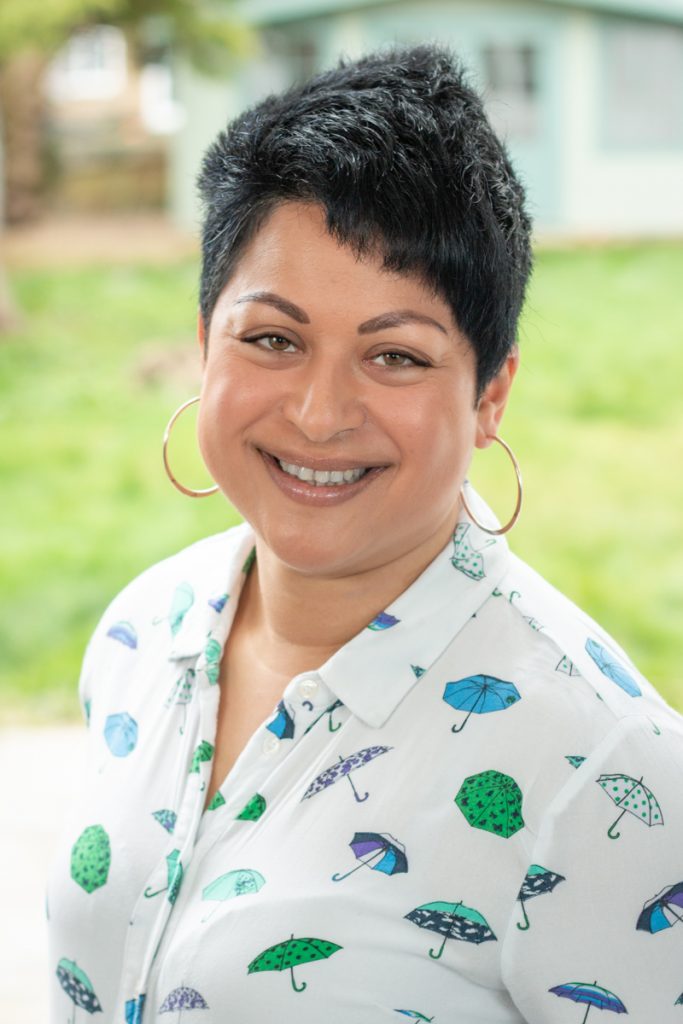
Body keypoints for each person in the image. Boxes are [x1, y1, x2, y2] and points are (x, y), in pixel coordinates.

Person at [47, 43, 683, 1024]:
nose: (315, 413)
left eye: (393, 354)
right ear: (205, 337)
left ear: (489, 395)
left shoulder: (606, 771)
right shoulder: (140, 631)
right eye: (272, 338)